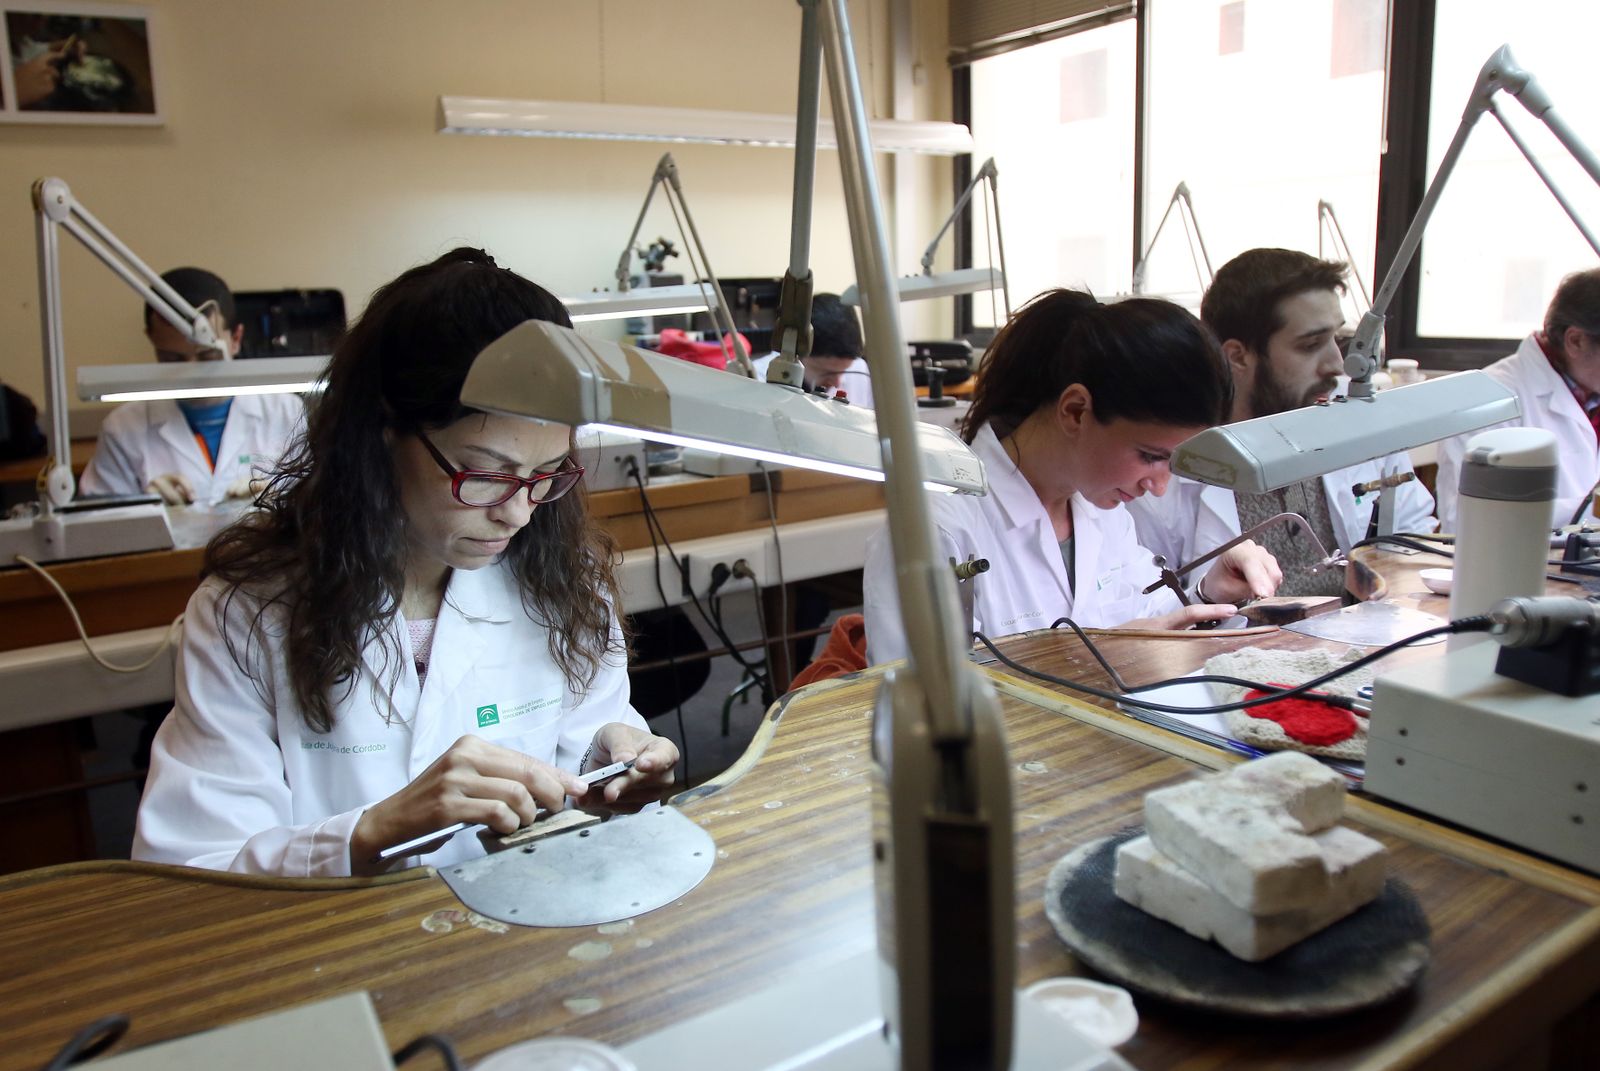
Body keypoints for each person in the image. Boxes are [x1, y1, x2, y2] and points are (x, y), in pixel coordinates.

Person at [133, 249, 679, 877]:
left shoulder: (563, 580)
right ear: (382, 433)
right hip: (330, 953)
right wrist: (371, 833)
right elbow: (193, 868)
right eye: (483, 473)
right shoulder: (249, 611)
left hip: (522, 930)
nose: (519, 514)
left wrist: (606, 757)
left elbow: (586, 730)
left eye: (546, 475)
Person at [861, 290, 1281, 665]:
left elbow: (1143, 621)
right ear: (1076, 411)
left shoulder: (1100, 508)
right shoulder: (934, 530)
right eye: (1151, 456)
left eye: (1172, 464)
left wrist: (1208, 595)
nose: (1158, 486)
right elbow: (921, 712)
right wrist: (1092, 659)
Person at [1129, 249, 1437, 598]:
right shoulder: (1165, 472)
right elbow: (1149, 609)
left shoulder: (1359, 420)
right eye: (1310, 345)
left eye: (1337, 338)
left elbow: (1415, 533)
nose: (1337, 364)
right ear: (1238, 356)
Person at [78, 267, 306, 505]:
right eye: (172, 359)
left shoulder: (286, 413)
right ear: (152, 341)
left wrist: (281, 503)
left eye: (207, 356)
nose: (191, 373)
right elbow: (98, 527)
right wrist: (143, 508)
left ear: (236, 339)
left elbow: (318, 509)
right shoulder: (123, 429)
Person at [1435, 267, 1600, 532]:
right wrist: (1591, 510)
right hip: (1516, 570)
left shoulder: (1591, 392)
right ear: (1576, 341)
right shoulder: (1484, 401)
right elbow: (1470, 522)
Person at [750, 293, 874, 408]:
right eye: (827, 372)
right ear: (798, 353)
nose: (837, 383)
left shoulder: (859, 371)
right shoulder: (756, 381)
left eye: (843, 371)